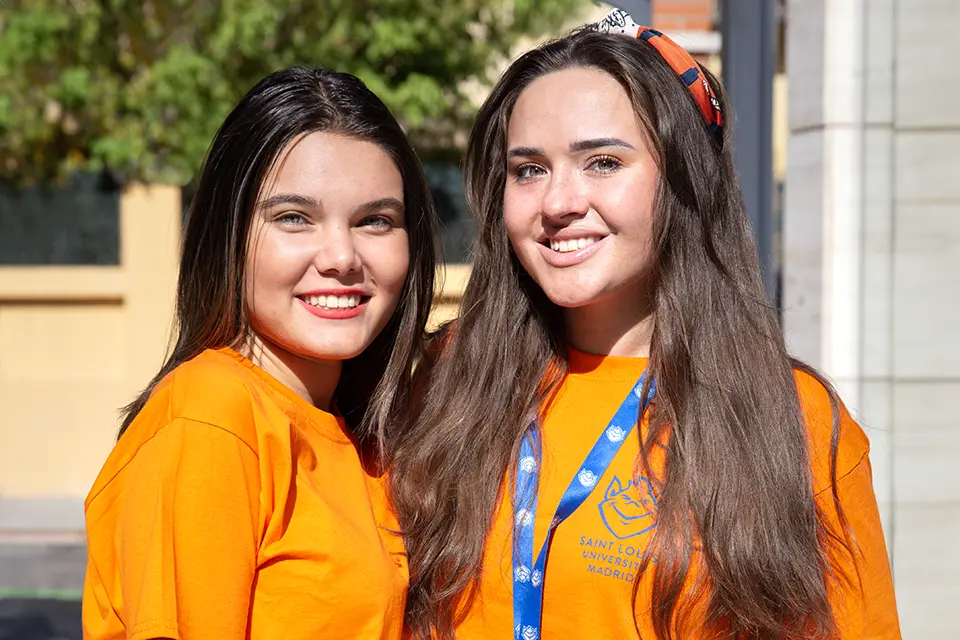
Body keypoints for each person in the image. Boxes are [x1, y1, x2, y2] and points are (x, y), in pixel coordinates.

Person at [390, 10, 900, 640]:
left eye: (602, 162)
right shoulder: (448, 381)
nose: (557, 202)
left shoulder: (793, 421)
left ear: (682, 182)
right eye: (528, 169)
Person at [82, 66, 439, 640]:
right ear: (229, 233)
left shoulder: (361, 433)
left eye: (376, 221)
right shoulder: (212, 415)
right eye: (294, 218)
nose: (342, 257)